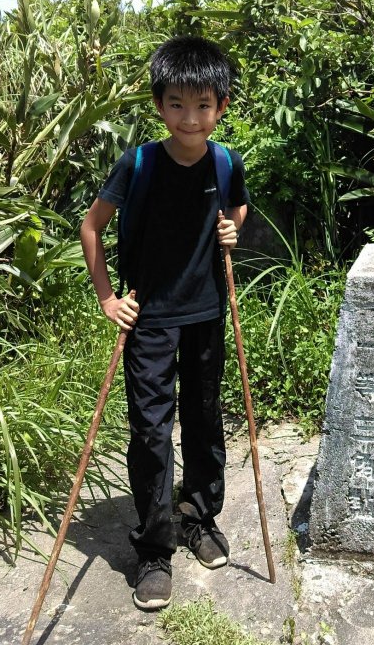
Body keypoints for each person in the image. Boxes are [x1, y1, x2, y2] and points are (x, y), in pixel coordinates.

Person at [80, 35, 249, 610]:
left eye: (203, 104)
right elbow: (92, 226)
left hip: (206, 312)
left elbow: (237, 207)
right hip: (149, 318)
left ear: (221, 107)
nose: (190, 117)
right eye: (177, 103)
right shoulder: (141, 162)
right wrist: (108, 299)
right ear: (159, 105)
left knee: (204, 418)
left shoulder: (226, 161)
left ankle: (198, 518)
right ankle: (155, 548)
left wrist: (232, 228)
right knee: (151, 430)